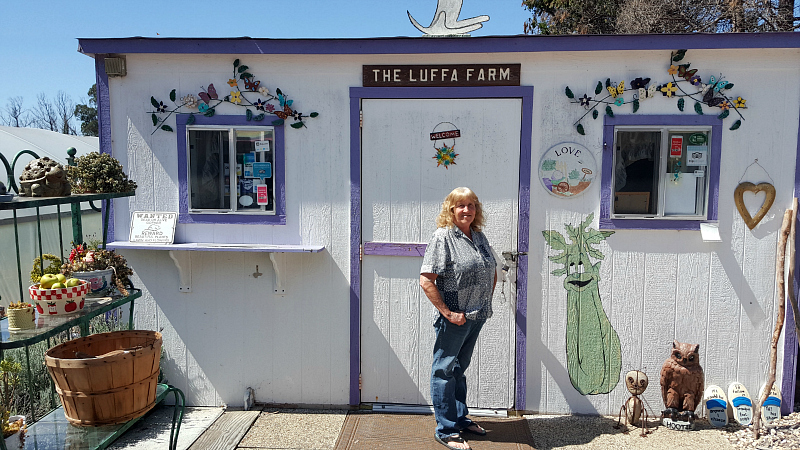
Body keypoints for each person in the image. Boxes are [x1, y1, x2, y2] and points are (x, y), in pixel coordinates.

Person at [420, 187, 497, 450]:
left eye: (471, 205)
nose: (467, 210)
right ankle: (446, 429)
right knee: (443, 371)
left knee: (458, 370)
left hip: (477, 315)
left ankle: (460, 419)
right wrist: (448, 312)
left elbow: (492, 270)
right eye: (461, 205)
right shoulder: (443, 237)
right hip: (455, 319)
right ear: (451, 209)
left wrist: (485, 300)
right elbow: (426, 279)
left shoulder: (479, 236)